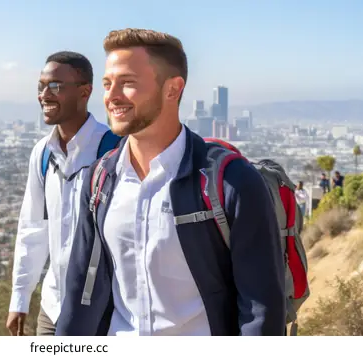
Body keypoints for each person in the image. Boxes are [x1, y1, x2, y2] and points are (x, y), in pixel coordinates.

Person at [55, 28, 286, 336]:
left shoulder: (231, 183)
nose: (111, 96)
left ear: (172, 89)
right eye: (108, 84)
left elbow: (261, 312)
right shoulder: (98, 181)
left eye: (128, 83)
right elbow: (79, 292)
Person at [7, 51, 119, 336]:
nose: (44, 94)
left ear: (85, 92)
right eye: (41, 86)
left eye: (55, 86)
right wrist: (19, 299)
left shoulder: (115, 151)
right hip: (53, 307)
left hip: (105, 312)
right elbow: (33, 229)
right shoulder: (42, 153)